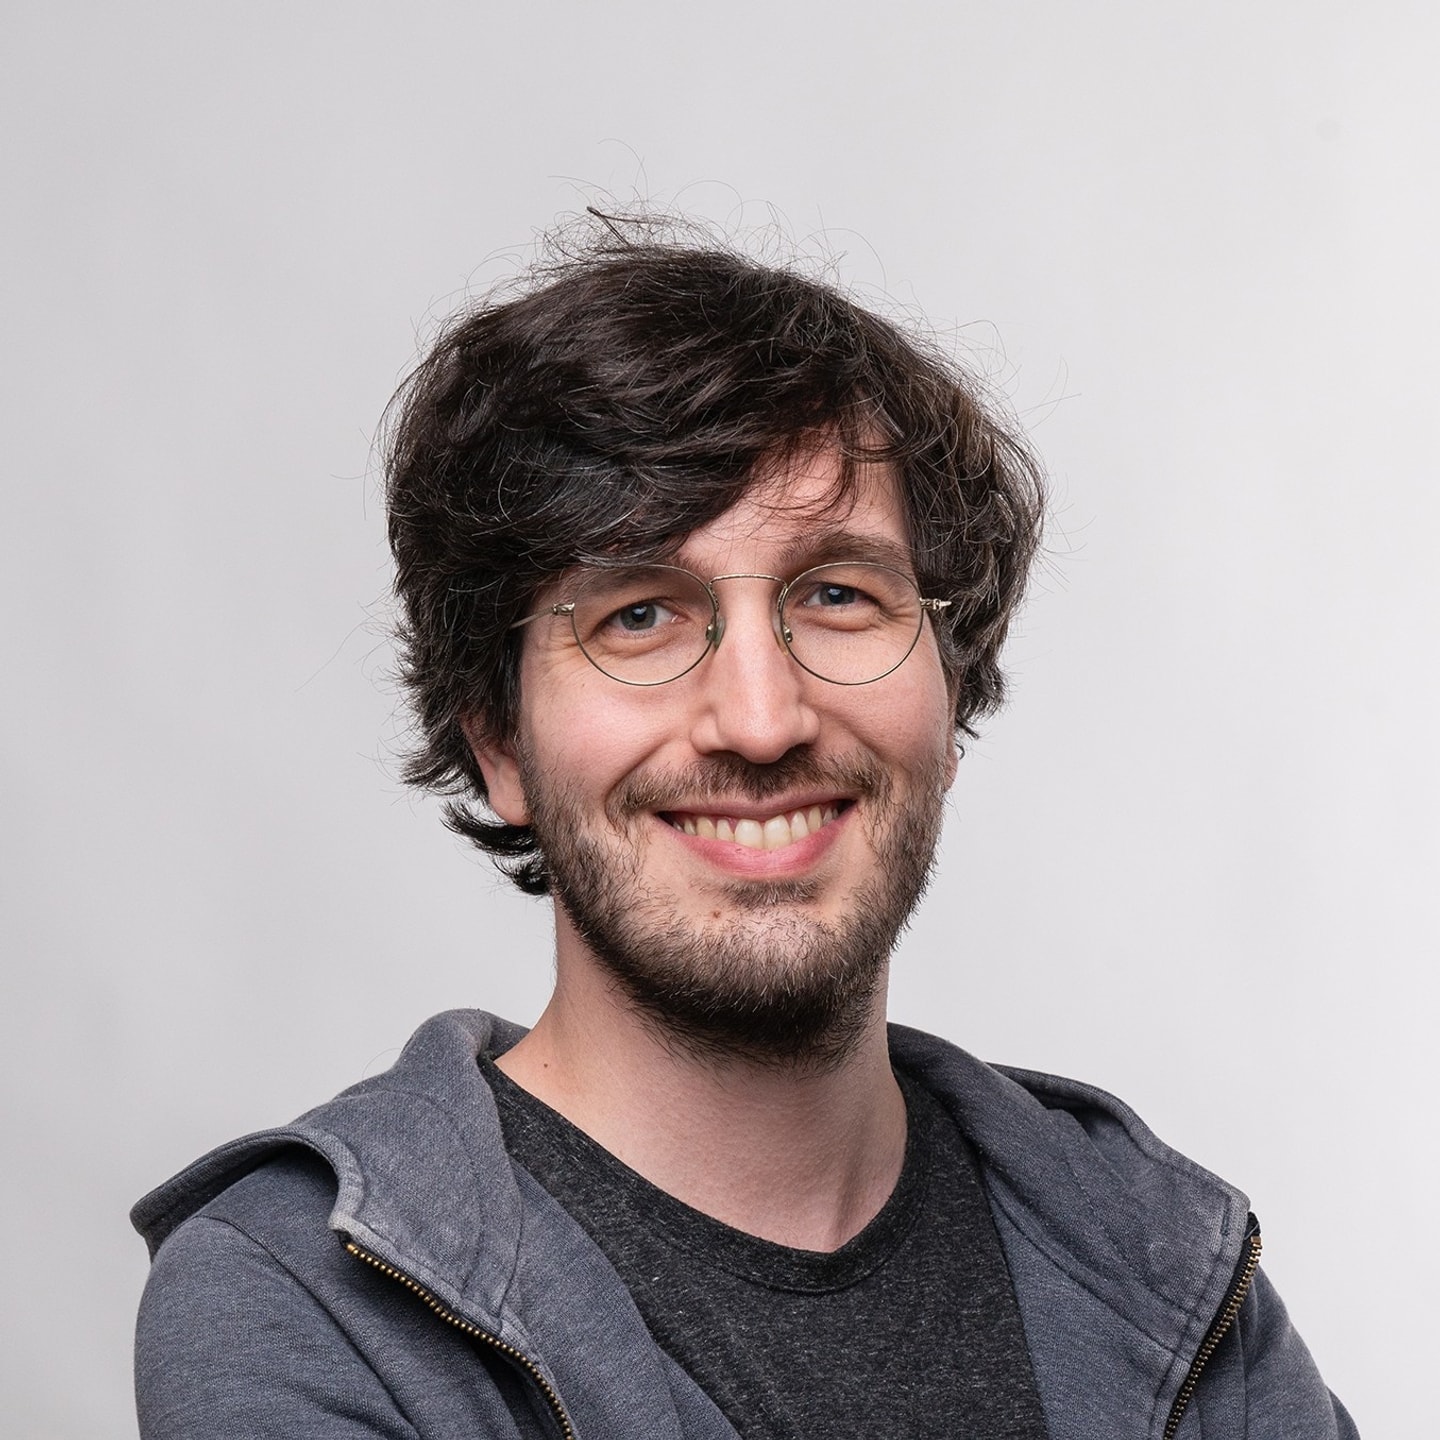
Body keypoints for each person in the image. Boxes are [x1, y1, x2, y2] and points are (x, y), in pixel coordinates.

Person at [132, 214, 1357, 1439]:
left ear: (951, 685)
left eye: (838, 595)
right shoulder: (308, 1298)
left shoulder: (1153, 1252)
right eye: (638, 617)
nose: (762, 720)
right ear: (499, 744)